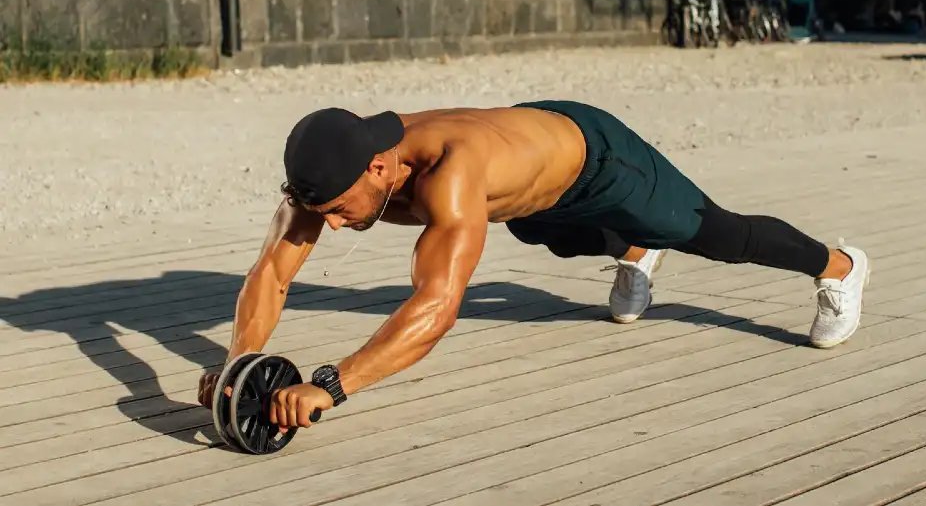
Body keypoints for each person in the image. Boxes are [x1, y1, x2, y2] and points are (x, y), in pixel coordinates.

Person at [197, 102, 870, 431]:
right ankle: (633, 252)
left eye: (343, 211)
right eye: (327, 214)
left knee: (714, 233)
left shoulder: (448, 176)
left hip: (600, 160)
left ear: (380, 168)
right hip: (534, 183)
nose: (336, 225)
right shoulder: (331, 175)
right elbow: (271, 274)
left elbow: (436, 305)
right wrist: (239, 369)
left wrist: (330, 384)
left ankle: (837, 265)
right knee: (547, 235)